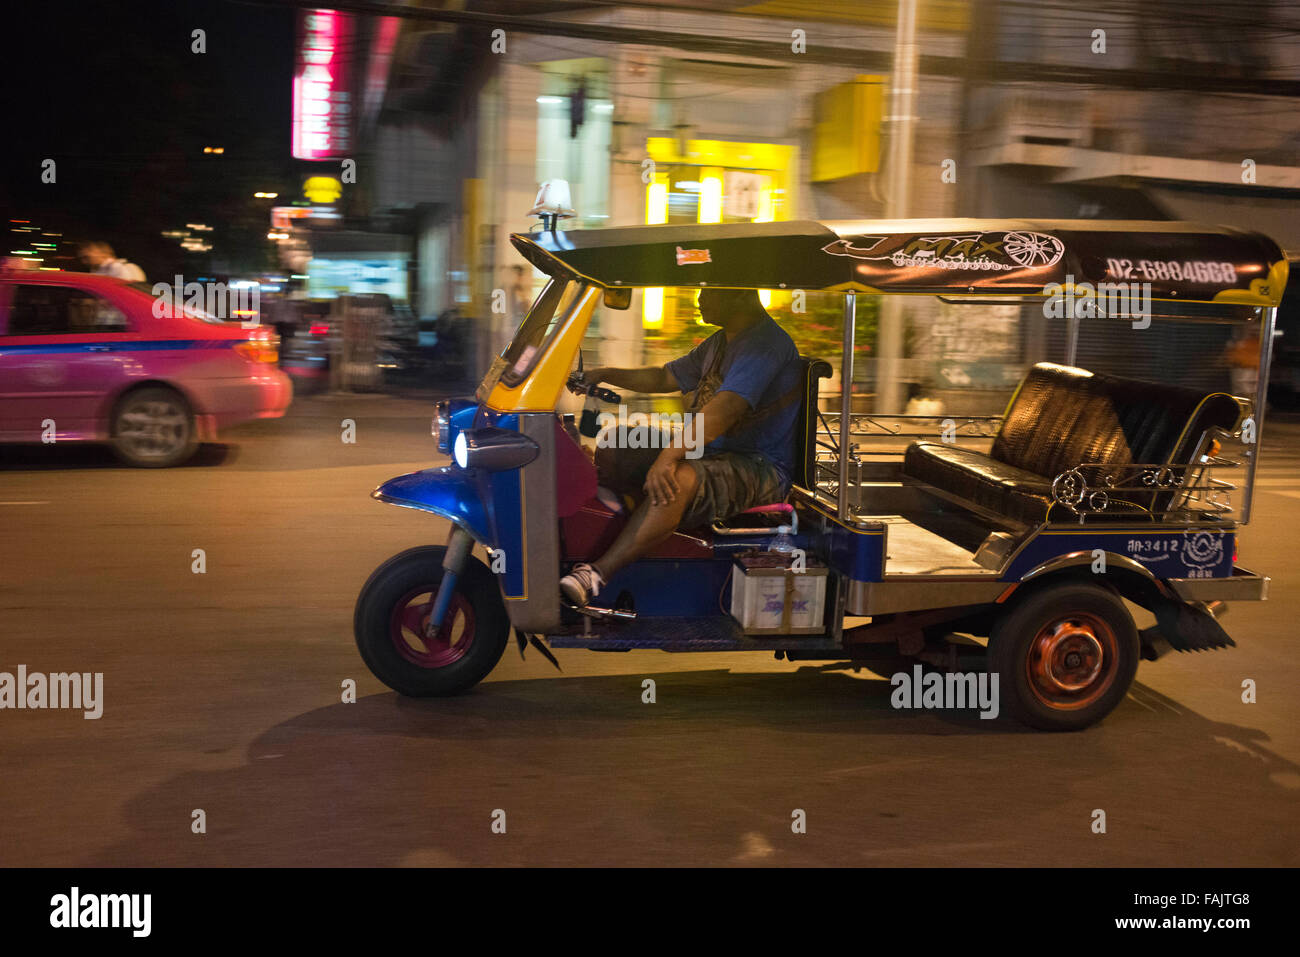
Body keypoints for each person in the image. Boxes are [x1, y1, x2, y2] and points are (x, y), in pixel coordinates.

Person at [559, 287, 803, 606]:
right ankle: (629, 530)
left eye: (708, 292)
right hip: (715, 451)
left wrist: (670, 456)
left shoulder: (766, 344)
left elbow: (727, 407)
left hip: (762, 466)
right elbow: (664, 378)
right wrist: (603, 374)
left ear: (740, 296)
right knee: (614, 443)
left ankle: (596, 574)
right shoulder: (720, 342)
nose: (698, 299)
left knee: (679, 479)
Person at [77, 241, 146, 281]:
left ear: (101, 254)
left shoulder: (116, 268)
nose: (84, 262)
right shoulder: (99, 270)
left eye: (87, 257)